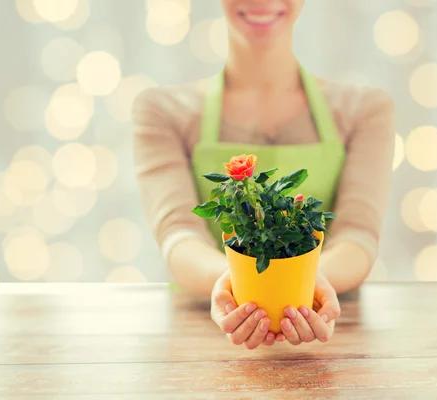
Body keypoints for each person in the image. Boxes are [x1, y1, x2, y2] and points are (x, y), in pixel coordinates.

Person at [132, 0, 395, 349]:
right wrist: (242, 287)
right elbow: (178, 236)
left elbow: (358, 236)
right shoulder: (163, 110)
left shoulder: (365, 108)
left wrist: (301, 286)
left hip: (330, 332)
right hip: (203, 336)